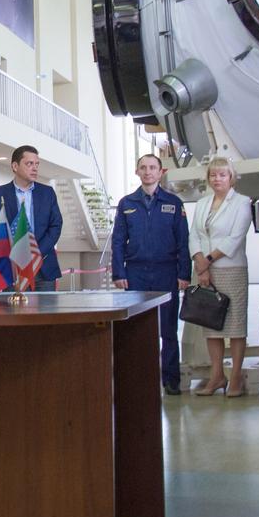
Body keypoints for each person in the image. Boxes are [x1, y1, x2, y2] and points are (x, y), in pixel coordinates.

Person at [111, 153, 190, 395]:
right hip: (135, 273)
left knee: (168, 329)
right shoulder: (126, 204)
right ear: (137, 172)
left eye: (152, 167)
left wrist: (184, 273)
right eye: (143, 168)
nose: (148, 172)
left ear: (161, 171)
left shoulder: (174, 203)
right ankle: (139, 376)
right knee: (136, 327)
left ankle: (171, 378)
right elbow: (117, 242)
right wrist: (118, 272)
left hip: (166, 272)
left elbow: (182, 241)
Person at [189, 157, 253, 396]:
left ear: (231, 177)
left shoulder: (242, 202)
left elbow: (235, 238)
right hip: (206, 271)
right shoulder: (203, 202)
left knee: (235, 325)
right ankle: (217, 376)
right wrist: (201, 265)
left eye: (222, 175)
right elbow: (193, 235)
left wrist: (208, 260)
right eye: (213, 175)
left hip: (231, 269)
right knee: (211, 325)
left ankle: (235, 377)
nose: (217, 179)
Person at [0, 146, 63, 291]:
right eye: (29, 164)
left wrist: (37, 252)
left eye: (37, 164)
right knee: (15, 312)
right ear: (15, 166)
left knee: (47, 313)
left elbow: (56, 225)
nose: (35, 168)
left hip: (43, 268)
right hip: (13, 268)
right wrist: (17, 252)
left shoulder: (47, 193)